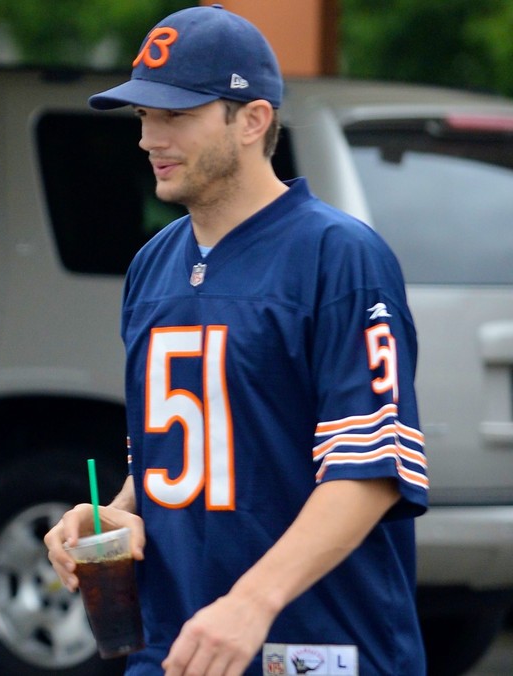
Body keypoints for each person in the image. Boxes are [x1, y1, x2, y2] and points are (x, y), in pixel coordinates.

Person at [43, 6, 428, 675]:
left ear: (251, 120)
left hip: (317, 650)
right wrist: (119, 515)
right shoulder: (152, 266)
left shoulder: (340, 257)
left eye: (175, 115)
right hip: (175, 648)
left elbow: (370, 471)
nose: (149, 139)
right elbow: (181, 455)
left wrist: (251, 602)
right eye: (143, 117)